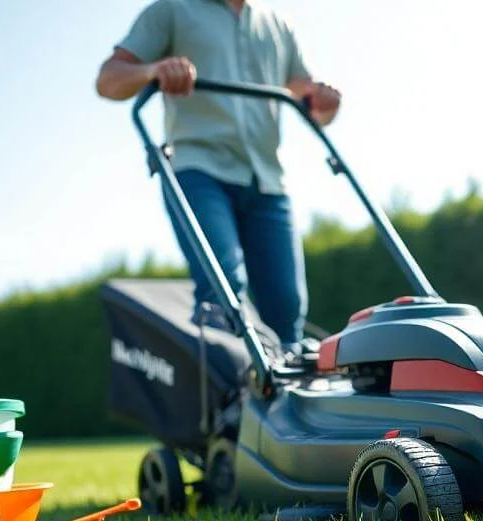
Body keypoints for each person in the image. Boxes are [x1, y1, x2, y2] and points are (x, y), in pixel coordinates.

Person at [96, 0, 341, 350]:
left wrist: (325, 102)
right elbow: (108, 81)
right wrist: (154, 71)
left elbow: (311, 104)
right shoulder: (173, 10)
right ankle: (222, 398)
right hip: (199, 170)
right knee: (222, 294)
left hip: (268, 180)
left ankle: (282, 400)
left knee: (286, 306)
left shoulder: (278, 25)